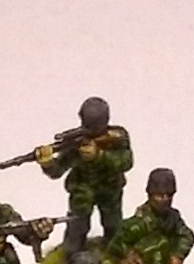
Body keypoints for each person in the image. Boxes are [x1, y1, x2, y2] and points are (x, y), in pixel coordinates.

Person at [37, 96, 133, 254]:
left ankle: (116, 256)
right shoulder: (76, 142)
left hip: (110, 188)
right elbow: (57, 170)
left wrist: (100, 155)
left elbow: (126, 162)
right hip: (83, 190)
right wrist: (47, 163)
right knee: (76, 227)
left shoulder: (117, 136)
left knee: (113, 225)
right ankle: (72, 258)